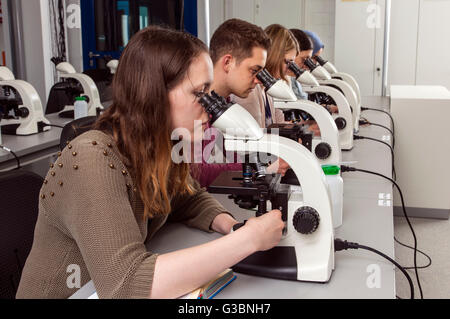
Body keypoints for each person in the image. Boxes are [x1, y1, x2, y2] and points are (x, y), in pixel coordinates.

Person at [16, 26, 284, 299]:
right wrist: (247, 241)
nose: (209, 105)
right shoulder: (91, 158)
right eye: (199, 93)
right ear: (154, 94)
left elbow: (188, 197)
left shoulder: (159, 147)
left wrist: (232, 226)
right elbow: (127, 285)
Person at [192, 19, 289, 188]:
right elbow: (195, 172)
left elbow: (233, 155)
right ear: (228, 62)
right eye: (254, 70)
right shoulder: (195, 104)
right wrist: (261, 167)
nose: (259, 80)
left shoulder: (226, 101)